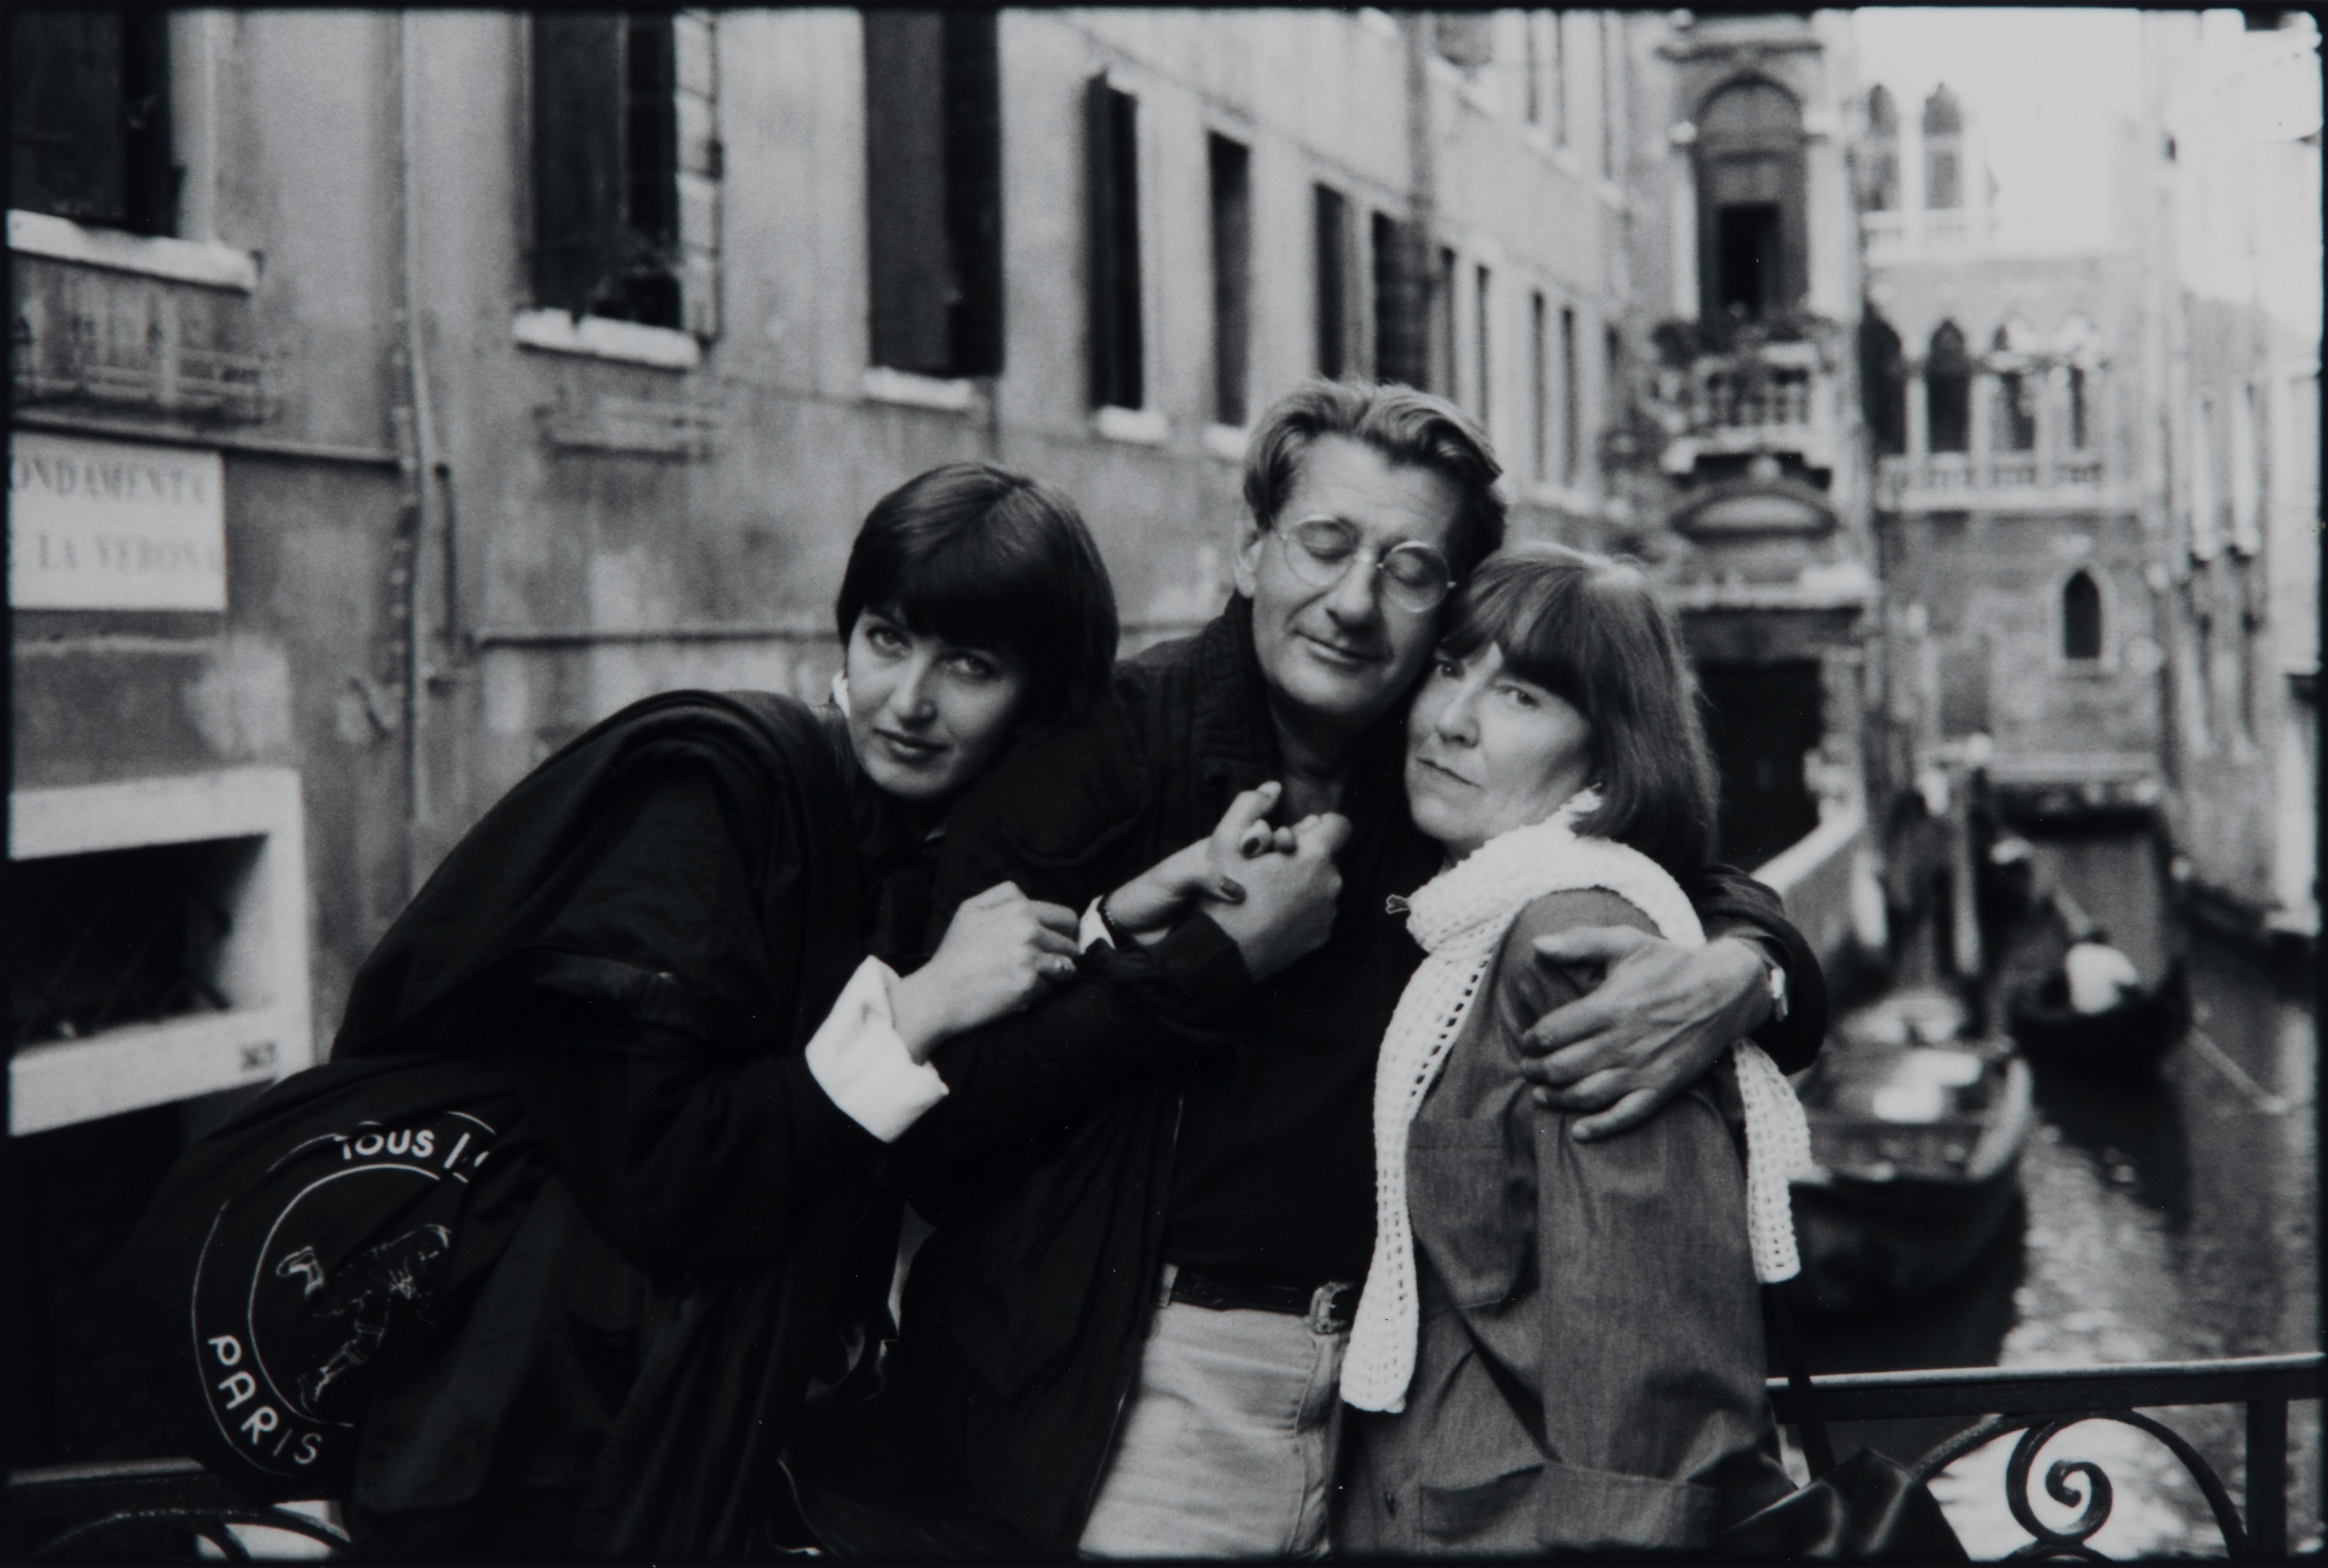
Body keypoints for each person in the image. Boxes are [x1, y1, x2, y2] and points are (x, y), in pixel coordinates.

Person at [124, 462, 1268, 1562]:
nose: (906, 700)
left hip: (649, 1447)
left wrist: (1113, 918)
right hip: (517, 1454)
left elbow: (924, 1095)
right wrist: (917, 1011)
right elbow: (663, 1172)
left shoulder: (899, 861)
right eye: (884, 638)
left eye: (966, 664)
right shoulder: (716, 797)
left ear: (1042, 704)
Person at [794, 381, 1827, 1558]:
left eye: (1405, 570)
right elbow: (939, 1128)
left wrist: (1748, 966)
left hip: (1381, 1430)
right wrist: (1212, 961)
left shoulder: (1434, 762)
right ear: (1249, 553)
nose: (1349, 603)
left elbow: (1654, 848)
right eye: (1322, 545)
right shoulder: (1100, 753)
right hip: (1131, 1404)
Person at [1330, 545, 1805, 1556]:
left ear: (1612, 749)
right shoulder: (1464, 916)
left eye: (1522, 696)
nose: (1453, 718)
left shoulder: (1573, 942)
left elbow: (1655, 1382)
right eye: (1451, 668)